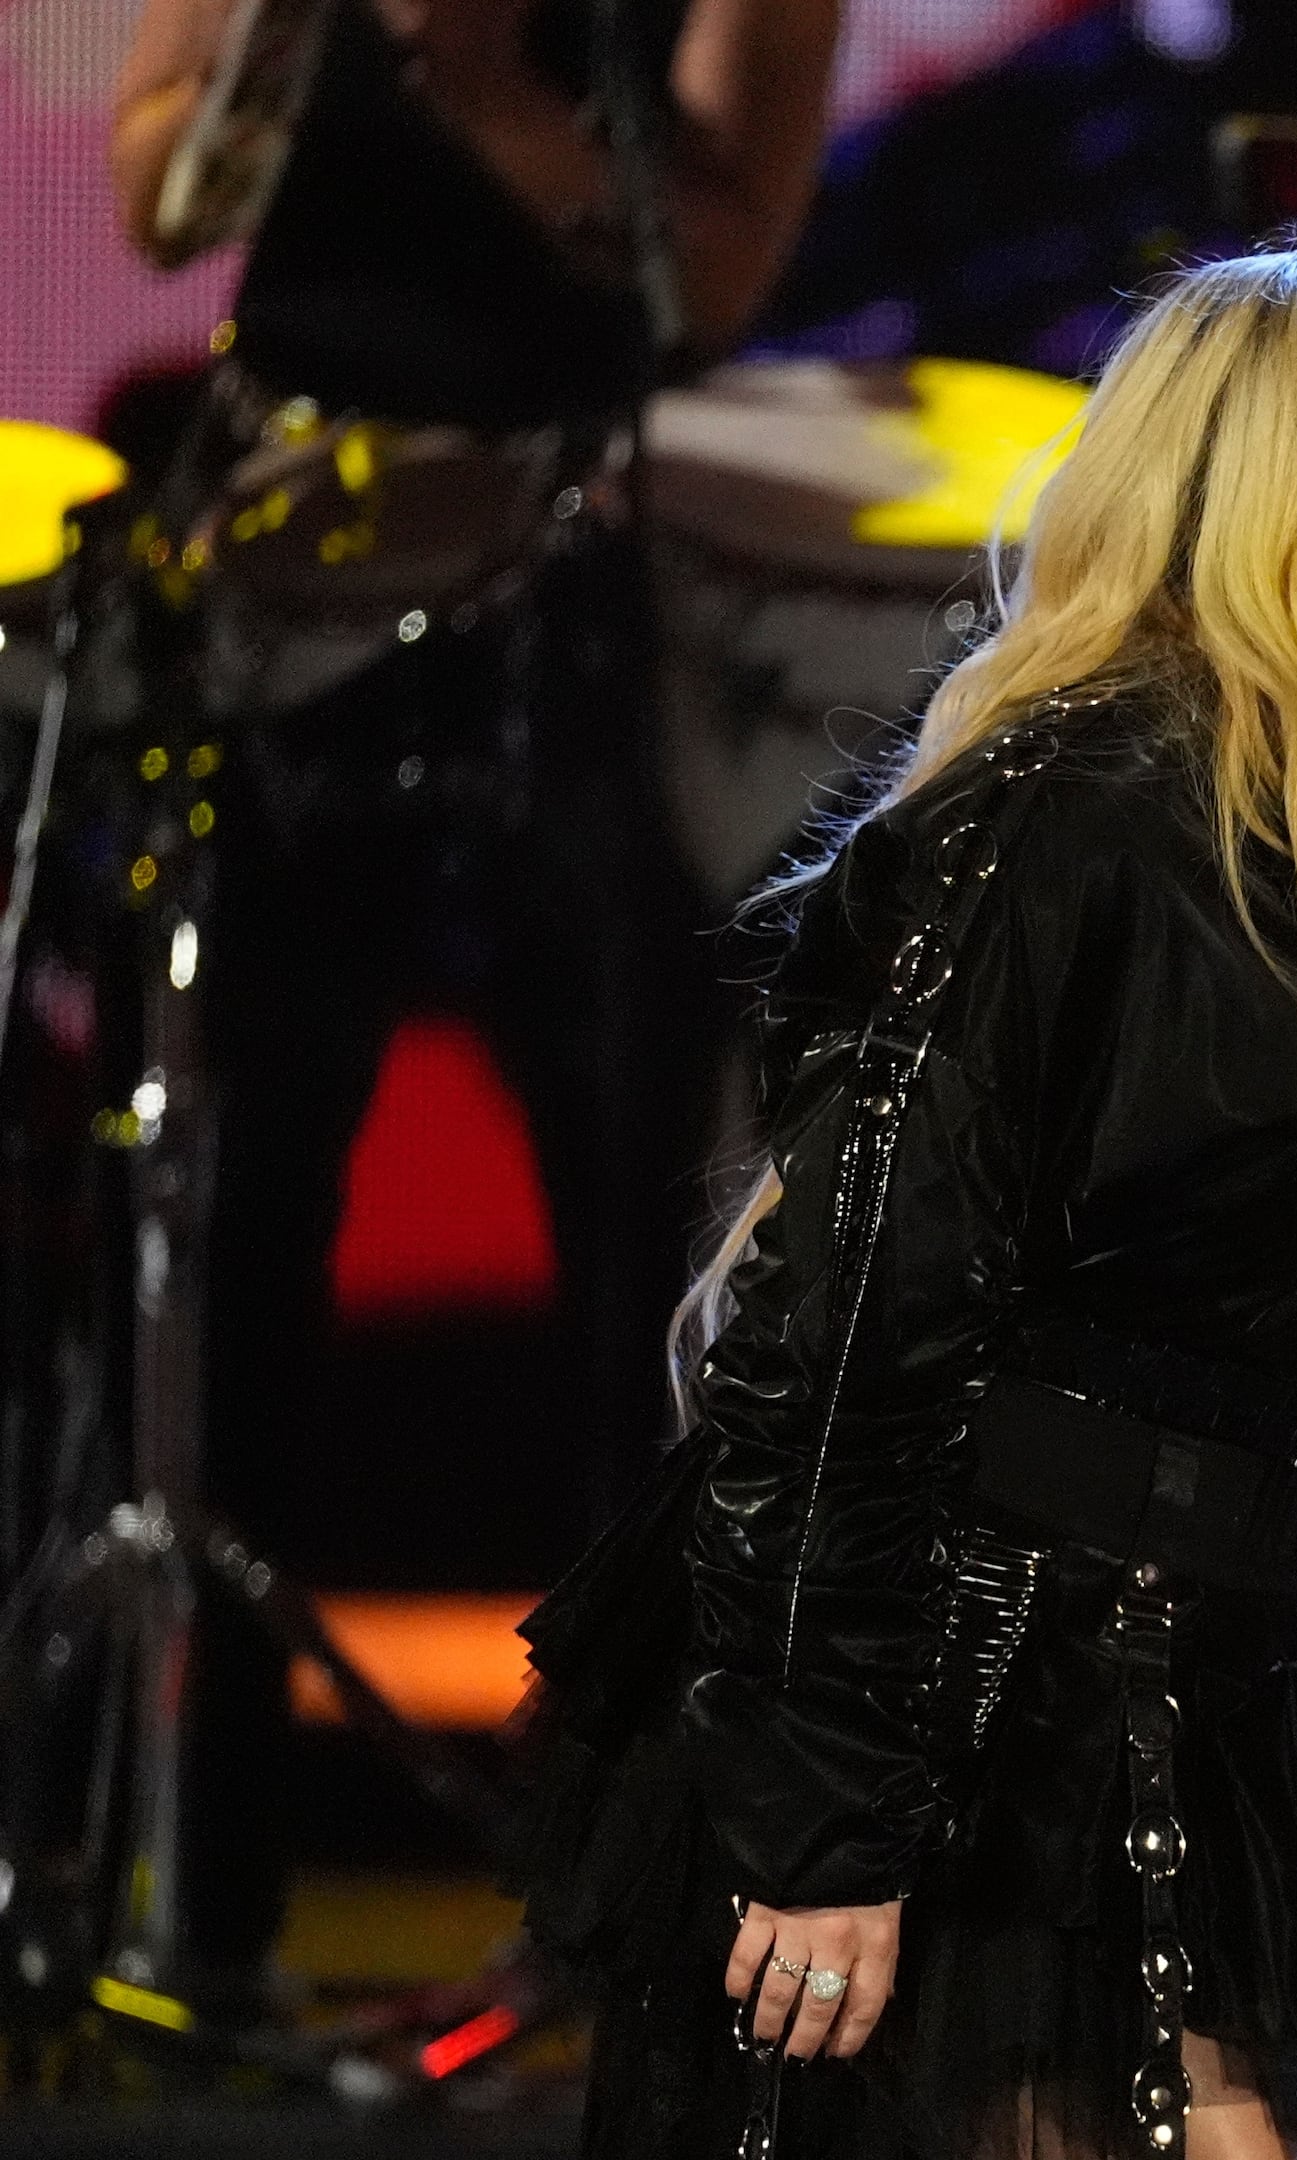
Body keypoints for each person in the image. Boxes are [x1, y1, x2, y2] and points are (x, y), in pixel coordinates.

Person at [508, 246, 1297, 2160]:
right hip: (972, 1715)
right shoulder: (1072, 815)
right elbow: (847, 1321)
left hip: (1218, 1677)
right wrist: (831, 1816)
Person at [101, 0, 837, 1991]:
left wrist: (478, 92)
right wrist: (258, 75)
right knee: (230, 1250)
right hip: (284, 600)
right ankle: (196, 1898)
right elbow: (165, 194)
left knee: (632, 1286)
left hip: (561, 600)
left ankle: (620, 1906)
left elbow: (722, 269)